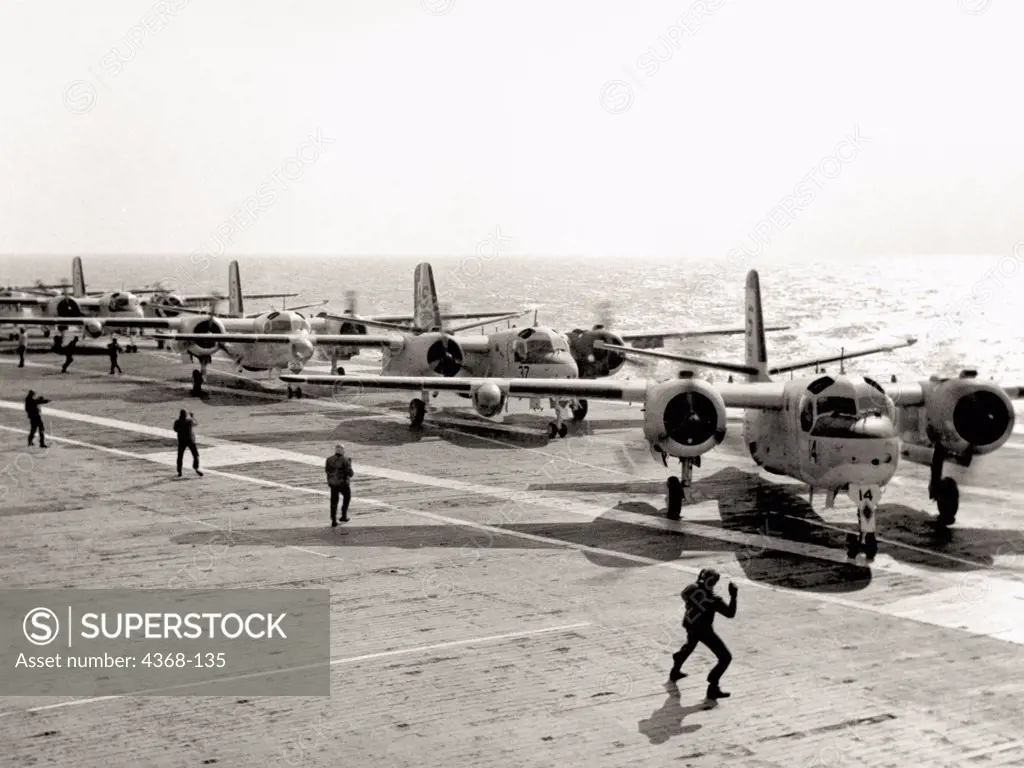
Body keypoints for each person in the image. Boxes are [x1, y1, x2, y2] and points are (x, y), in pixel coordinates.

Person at [668, 568, 738, 700]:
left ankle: (676, 667)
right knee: (725, 657)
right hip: (705, 631)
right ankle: (713, 686)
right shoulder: (713, 600)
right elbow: (730, 613)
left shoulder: (692, 589)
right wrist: (733, 595)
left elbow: (684, 595)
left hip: (689, 624)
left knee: (690, 645)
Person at [325, 444, 354, 527]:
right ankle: (343, 516)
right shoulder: (345, 460)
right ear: (343, 451)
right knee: (347, 497)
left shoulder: (329, 459)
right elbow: (350, 473)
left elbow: (327, 470)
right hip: (343, 483)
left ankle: (333, 520)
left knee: (334, 501)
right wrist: (349, 464)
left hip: (333, 484)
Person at [173, 409, 203, 478]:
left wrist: (181, 430)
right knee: (195, 455)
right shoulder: (189, 421)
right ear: (186, 415)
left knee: (180, 456)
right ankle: (196, 468)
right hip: (190, 440)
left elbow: (175, 429)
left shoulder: (177, 422)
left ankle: (179, 471)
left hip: (182, 441)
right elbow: (196, 423)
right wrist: (192, 417)